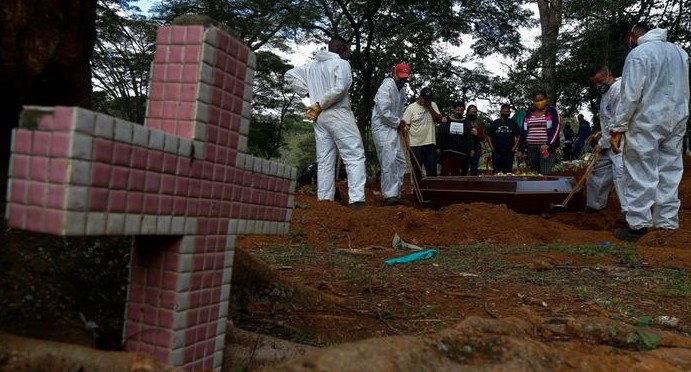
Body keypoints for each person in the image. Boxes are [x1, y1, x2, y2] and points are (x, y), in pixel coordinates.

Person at [610, 24, 690, 241]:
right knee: (670, 171)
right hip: (676, 119)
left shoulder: (638, 54)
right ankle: (667, 222)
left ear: (634, 36)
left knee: (640, 172)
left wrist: (618, 127)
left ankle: (638, 224)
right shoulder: (679, 52)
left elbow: (630, 96)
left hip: (646, 120)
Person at [284, 36, 367, 210]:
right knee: (354, 154)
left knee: (324, 159)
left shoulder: (311, 66)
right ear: (340, 49)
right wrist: (320, 103)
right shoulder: (341, 63)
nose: (348, 53)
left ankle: (324, 201)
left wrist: (307, 94)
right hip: (337, 113)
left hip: (320, 118)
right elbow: (341, 87)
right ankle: (357, 200)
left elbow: (289, 74)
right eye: (347, 50)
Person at [586, 64, 628, 217]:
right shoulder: (606, 94)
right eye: (595, 83)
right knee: (597, 170)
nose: (599, 85)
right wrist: (602, 143)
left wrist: (604, 142)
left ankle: (629, 213)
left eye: (600, 81)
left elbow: (618, 121)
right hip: (607, 141)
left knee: (621, 176)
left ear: (609, 75)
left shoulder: (619, 90)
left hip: (620, 142)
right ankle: (595, 206)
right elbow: (606, 121)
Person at [371, 63, 410, 206]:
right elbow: (383, 111)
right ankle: (389, 194)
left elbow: (399, 110)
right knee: (389, 159)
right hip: (382, 127)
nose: (402, 80)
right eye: (401, 77)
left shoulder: (402, 90)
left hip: (394, 127)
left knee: (400, 161)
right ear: (394, 73)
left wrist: (401, 123)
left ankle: (396, 192)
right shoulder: (385, 87)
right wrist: (397, 121)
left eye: (405, 78)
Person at [402, 87, 443, 183]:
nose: (427, 101)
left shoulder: (433, 105)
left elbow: (439, 119)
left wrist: (430, 108)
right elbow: (405, 125)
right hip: (415, 144)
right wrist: (405, 143)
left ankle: (431, 193)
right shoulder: (411, 108)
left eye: (429, 99)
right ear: (420, 97)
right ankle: (417, 194)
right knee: (417, 172)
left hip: (430, 143)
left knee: (432, 170)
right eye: (425, 99)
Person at [517, 91, 561, 175]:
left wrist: (548, 144)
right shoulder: (528, 114)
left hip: (546, 148)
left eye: (542, 99)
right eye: (537, 100)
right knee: (534, 173)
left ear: (546, 100)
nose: (539, 102)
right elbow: (523, 132)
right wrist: (520, 149)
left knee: (545, 173)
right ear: (533, 102)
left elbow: (557, 128)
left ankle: (546, 188)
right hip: (531, 148)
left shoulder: (552, 111)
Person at [437, 102, 474, 176]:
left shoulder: (466, 122)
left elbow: (469, 136)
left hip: (461, 151)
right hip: (447, 150)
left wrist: (471, 149)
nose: (459, 112)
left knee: (456, 171)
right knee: (445, 169)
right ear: (453, 110)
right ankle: (443, 186)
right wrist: (438, 147)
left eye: (461, 110)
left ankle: (454, 186)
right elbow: (440, 134)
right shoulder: (446, 120)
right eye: (457, 110)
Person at [487, 104, 520, 174]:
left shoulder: (513, 123)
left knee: (508, 173)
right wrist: (492, 147)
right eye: (504, 111)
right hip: (497, 152)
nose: (505, 113)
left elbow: (518, 136)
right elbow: (488, 136)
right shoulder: (495, 123)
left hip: (509, 152)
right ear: (501, 112)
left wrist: (514, 148)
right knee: (496, 172)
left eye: (507, 112)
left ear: (510, 113)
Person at [466, 105, 486, 175]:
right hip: (464, 149)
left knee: (474, 170)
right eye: (471, 111)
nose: (473, 113)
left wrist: (476, 134)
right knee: (464, 169)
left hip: (476, 149)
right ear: (468, 112)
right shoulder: (463, 121)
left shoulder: (479, 123)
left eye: (474, 112)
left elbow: (483, 137)